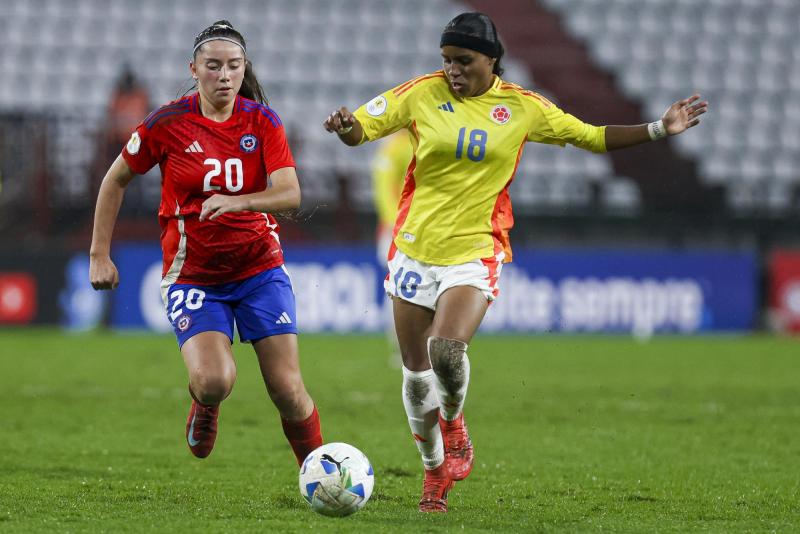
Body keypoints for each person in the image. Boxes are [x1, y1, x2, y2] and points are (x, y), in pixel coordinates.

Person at [324, 12, 707, 513]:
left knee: (445, 350)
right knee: (416, 377)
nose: (453, 70)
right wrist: (347, 128)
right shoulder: (421, 93)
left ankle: (455, 423)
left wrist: (660, 128)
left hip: (476, 247)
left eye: (463, 61)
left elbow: (590, 136)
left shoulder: (522, 107)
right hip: (415, 248)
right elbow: (362, 128)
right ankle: (434, 470)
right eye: (446, 61)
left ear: (491, 61)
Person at [90, 20, 323, 465]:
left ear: (244, 69)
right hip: (194, 275)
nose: (224, 75)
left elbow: (291, 194)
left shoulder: (263, 122)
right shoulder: (168, 122)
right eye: (213, 66)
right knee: (216, 379)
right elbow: (114, 179)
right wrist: (99, 254)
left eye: (233, 66)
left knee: (289, 391)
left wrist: (239, 203)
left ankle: (320, 477)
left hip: (259, 268)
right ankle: (205, 402)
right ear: (193, 68)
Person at [370, 131, 413, 366]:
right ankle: (403, 348)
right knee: (399, 289)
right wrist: (396, 224)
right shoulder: (396, 145)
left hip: (428, 230)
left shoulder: (426, 135)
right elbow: (384, 188)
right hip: (399, 229)